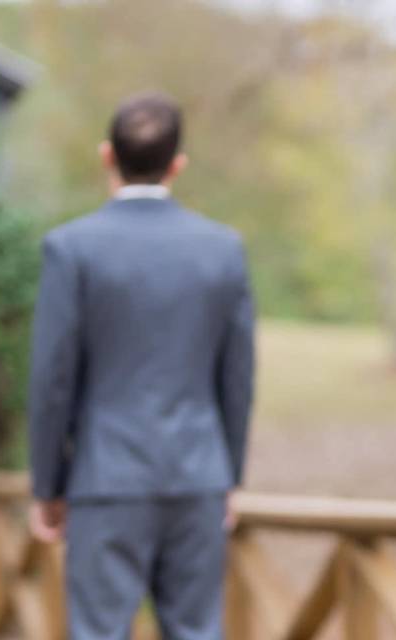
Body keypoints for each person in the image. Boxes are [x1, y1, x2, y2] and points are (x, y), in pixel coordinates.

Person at [26, 91, 255, 640]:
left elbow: (52, 378)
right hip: (198, 475)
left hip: (105, 479)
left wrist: (47, 484)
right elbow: (238, 375)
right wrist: (229, 476)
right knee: (197, 631)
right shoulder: (223, 249)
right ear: (178, 165)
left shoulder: (71, 248)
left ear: (107, 156)